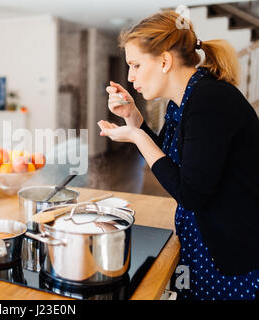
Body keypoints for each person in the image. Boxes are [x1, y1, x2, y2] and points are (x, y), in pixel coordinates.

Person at [98, 10, 259, 300]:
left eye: (135, 65)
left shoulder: (209, 101)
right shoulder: (184, 99)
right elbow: (174, 161)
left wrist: (135, 136)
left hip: (232, 250)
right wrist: (134, 119)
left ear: (165, 61)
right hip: (204, 238)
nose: (130, 76)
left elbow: (191, 192)